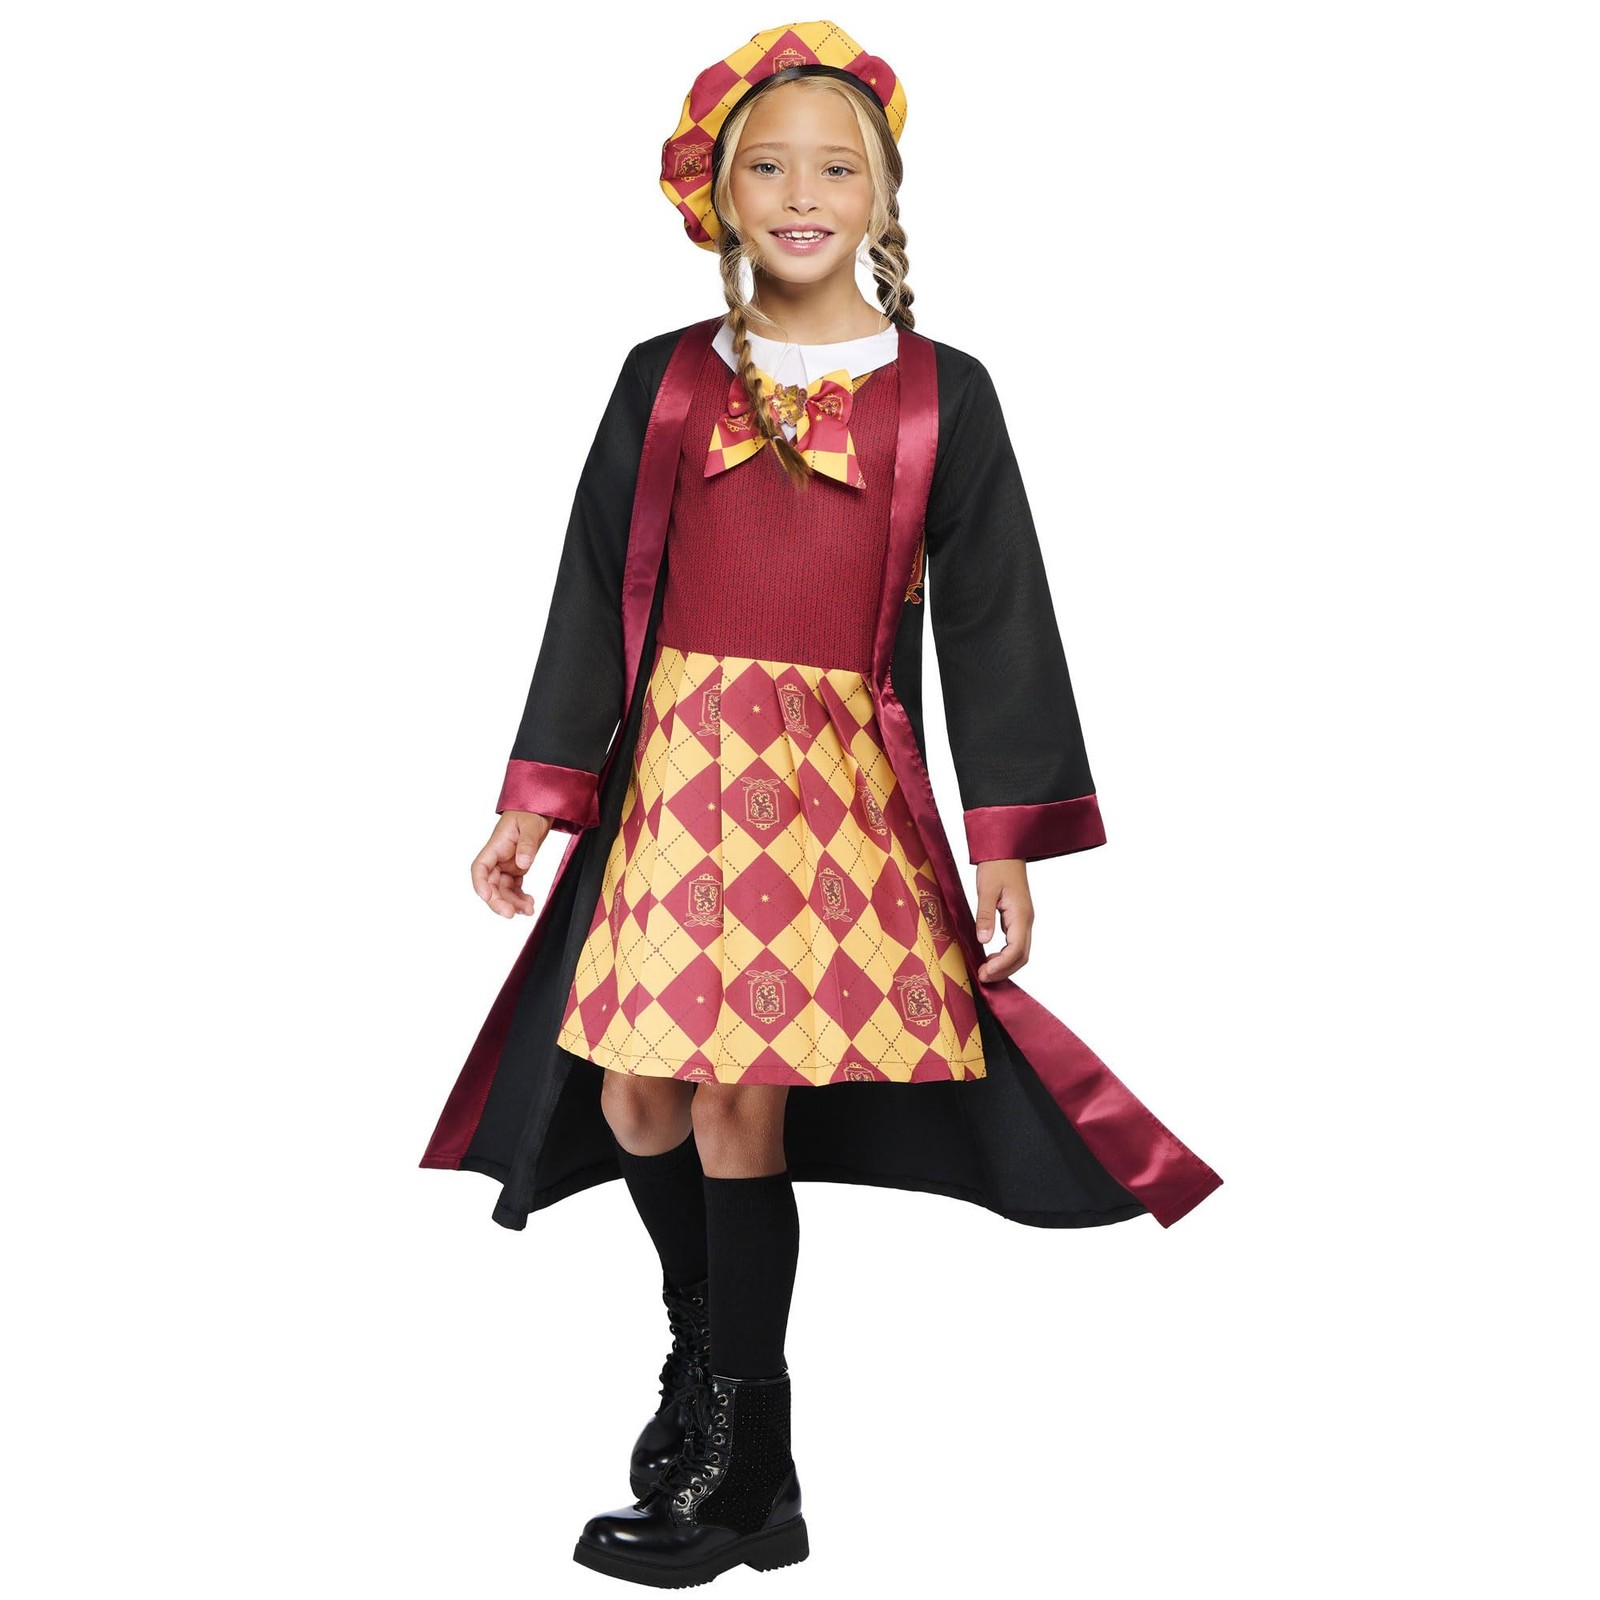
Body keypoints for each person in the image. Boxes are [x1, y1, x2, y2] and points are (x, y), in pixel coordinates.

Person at [419, 20, 1224, 1588]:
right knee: (637, 1096)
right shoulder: (665, 380)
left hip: (827, 797)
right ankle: (710, 1365)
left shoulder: (940, 395)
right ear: (718, 193)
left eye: (838, 169)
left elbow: (997, 616)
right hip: (674, 784)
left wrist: (1007, 840)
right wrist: (539, 789)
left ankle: (742, 1452)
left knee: (740, 1102)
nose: (804, 195)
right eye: (771, 168)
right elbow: (591, 588)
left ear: (886, 196)